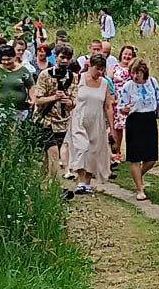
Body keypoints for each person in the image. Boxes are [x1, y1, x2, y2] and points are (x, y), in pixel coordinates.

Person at [67, 53, 115, 195]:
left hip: (97, 121)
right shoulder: (78, 79)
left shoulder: (105, 83)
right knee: (82, 148)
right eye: (97, 69)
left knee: (93, 151)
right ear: (90, 66)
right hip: (79, 118)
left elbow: (107, 106)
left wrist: (111, 127)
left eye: (102, 69)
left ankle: (87, 182)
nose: (99, 72)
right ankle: (80, 180)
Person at [118, 57, 159, 200]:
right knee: (135, 157)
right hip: (135, 120)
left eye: (138, 72)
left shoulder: (153, 82)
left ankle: (139, 175)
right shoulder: (128, 86)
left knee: (151, 158)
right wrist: (124, 109)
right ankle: (140, 188)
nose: (135, 76)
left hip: (149, 119)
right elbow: (121, 107)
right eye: (133, 72)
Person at [32, 47, 78, 179]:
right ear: (56, 56)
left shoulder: (73, 77)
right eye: (62, 57)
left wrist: (68, 102)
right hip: (46, 120)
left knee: (48, 158)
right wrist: (54, 97)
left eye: (68, 58)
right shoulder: (45, 75)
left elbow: (74, 101)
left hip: (62, 122)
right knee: (53, 153)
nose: (64, 61)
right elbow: (38, 100)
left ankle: (41, 183)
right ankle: (56, 186)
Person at [0, 45, 35, 122]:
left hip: (18, 110)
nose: (6, 62)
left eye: (9, 59)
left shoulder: (23, 71)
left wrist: (32, 99)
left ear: (14, 57)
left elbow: (31, 86)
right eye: (3, 60)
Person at [111, 46, 137, 160]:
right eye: (125, 54)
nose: (127, 56)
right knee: (118, 127)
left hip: (130, 101)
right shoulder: (114, 67)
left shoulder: (134, 69)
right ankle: (117, 152)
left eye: (129, 54)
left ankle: (132, 151)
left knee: (132, 127)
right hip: (116, 100)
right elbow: (109, 82)